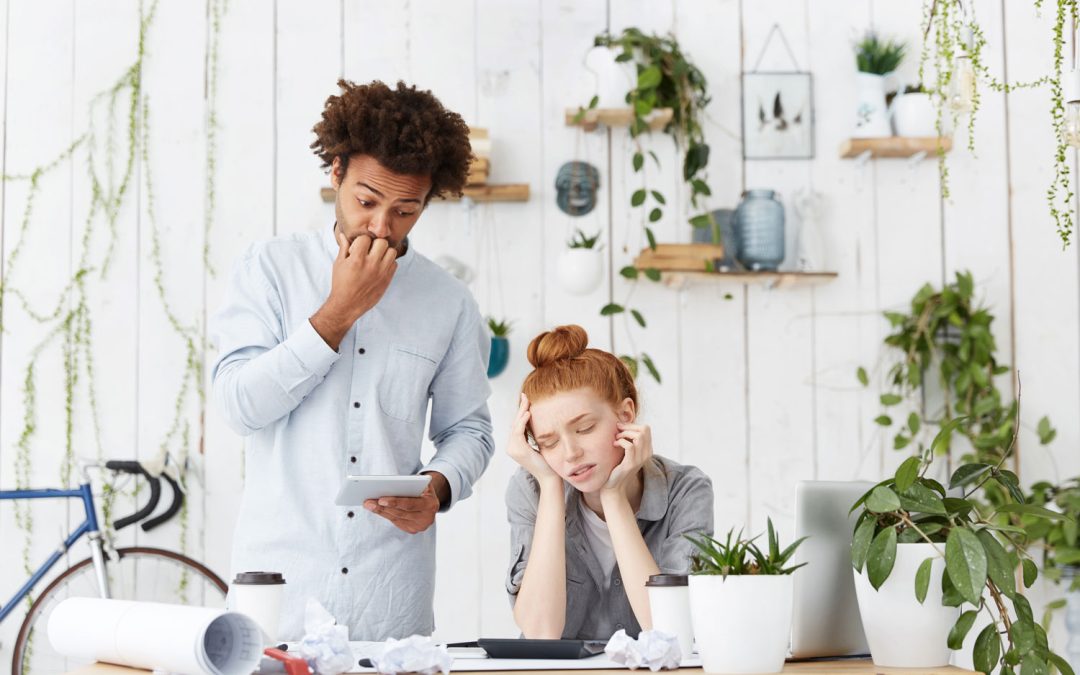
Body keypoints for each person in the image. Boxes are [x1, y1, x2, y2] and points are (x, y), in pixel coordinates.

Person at [209, 80, 494, 641]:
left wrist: (437, 487)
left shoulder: (449, 302)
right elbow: (239, 407)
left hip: (389, 602)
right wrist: (337, 314)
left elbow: (470, 430)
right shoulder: (269, 269)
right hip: (278, 595)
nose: (382, 227)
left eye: (406, 210)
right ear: (336, 172)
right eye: (367, 201)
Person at [504, 325, 714, 640]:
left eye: (585, 428)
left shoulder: (686, 490)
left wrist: (613, 496)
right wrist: (549, 486)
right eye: (548, 442)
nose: (571, 453)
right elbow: (540, 633)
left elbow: (671, 632)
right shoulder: (531, 488)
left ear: (626, 414)